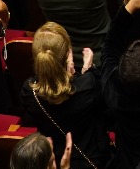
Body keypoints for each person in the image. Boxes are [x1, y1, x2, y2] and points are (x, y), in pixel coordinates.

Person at [18, 22, 111, 169]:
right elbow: (104, 111)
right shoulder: (89, 84)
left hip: (52, 159)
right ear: (68, 55)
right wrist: (88, 71)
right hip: (91, 159)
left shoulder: (29, 91)